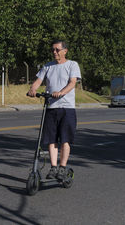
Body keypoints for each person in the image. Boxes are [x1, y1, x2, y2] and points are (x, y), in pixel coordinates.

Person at [27, 40, 81, 180]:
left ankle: (62, 168)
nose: (54, 52)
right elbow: (39, 80)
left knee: (65, 140)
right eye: (53, 50)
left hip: (66, 107)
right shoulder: (48, 66)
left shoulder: (72, 65)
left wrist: (61, 92)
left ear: (65, 51)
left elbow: (72, 83)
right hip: (51, 107)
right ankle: (53, 167)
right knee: (51, 140)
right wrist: (33, 89)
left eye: (57, 50)